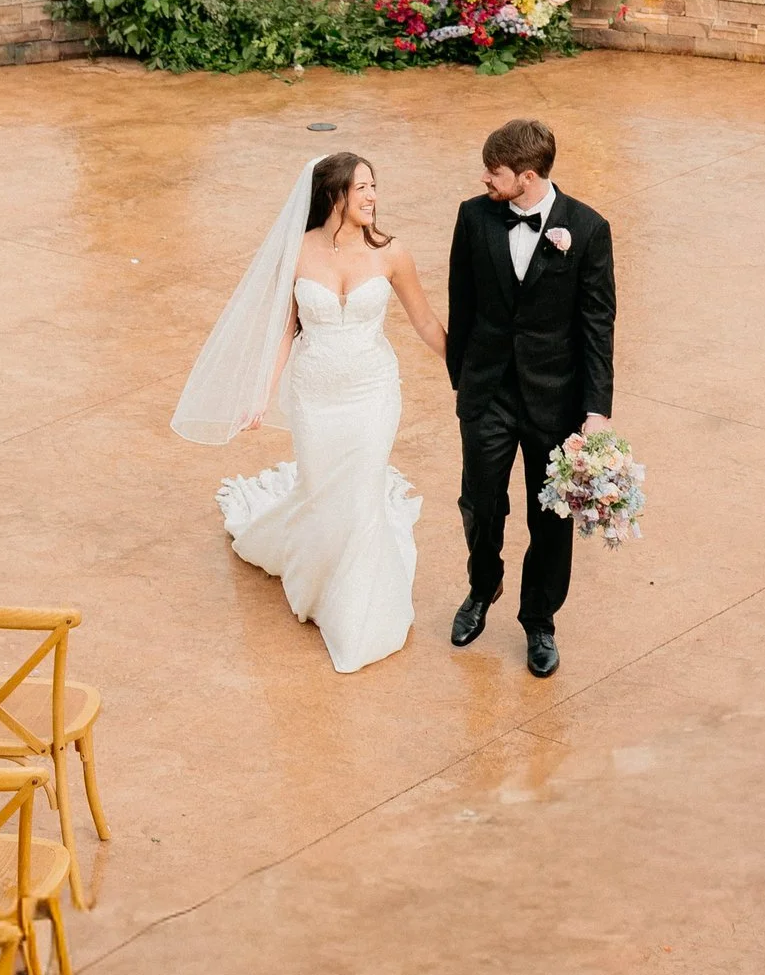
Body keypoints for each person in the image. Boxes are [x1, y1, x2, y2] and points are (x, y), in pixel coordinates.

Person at [174, 150, 444, 676]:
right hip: (315, 395)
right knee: (325, 494)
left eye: (373, 185)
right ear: (333, 196)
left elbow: (428, 323)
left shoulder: (392, 254)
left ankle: (359, 615)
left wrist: (470, 369)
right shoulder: (296, 252)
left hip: (371, 391)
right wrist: (261, 394)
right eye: (361, 187)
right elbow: (283, 330)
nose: (372, 196)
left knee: (362, 491)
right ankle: (318, 579)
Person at [446, 115, 616, 680]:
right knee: (480, 502)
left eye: (494, 173)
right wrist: (463, 382)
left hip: (556, 401)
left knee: (551, 521)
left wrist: (594, 412)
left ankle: (539, 619)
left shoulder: (587, 230)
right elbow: (461, 303)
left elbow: (597, 325)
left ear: (526, 176)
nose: (484, 180)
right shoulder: (474, 217)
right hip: (489, 393)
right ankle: (482, 585)